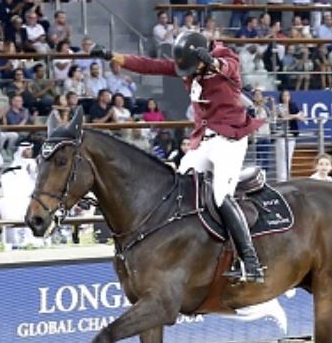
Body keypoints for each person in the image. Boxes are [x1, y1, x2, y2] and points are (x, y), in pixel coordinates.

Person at [102, 32, 266, 283]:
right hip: (203, 139)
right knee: (177, 186)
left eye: (192, 67)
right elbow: (150, 65)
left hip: (230, 138)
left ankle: (250, 261)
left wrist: (211, 61)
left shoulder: (225, 56)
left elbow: (229, 68)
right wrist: (113, 57)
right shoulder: (186, 65)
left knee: (221, 195)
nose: (186, 73)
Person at [273, 90, 304, 182]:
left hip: (292, 134)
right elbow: (284, 117)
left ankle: (287, 178)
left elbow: (302, 118)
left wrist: (296, 116)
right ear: (281, 97)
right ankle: (281, 179)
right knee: (282, 158)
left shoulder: (293, 106)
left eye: (288, 95)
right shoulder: (279, 107)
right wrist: (295, 116)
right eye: (284, 95)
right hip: (282, 135)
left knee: (289, 157)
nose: (286, 97)